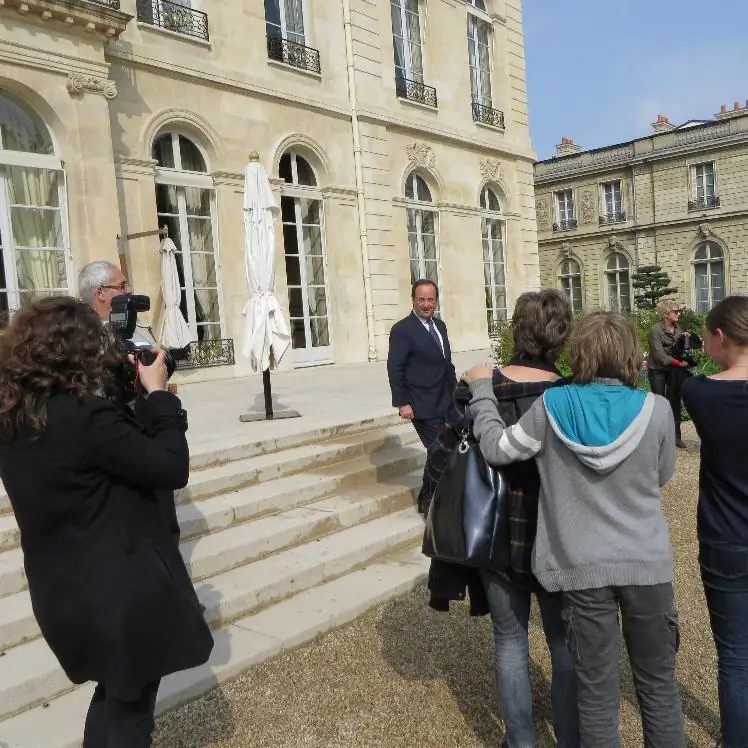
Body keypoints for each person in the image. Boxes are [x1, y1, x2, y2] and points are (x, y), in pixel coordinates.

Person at [0, 297, 213, 747]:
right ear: (76, 350)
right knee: (129, 709)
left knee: (117, 693)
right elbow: (169, 467)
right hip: (117, 593)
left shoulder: (15, 418)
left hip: (63, 591)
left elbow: (98, 461)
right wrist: (157, 395)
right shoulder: (86, 418)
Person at [465, 312, 685, 748]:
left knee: (598, 696)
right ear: (628, 355)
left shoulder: (552, 407)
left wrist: (482, 391)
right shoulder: (657, 410)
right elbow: (660, 476)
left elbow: (497, 448)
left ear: (579, 351)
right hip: (646, 567)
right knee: (659, 690)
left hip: (581, 568)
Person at [425, 290, 580, 748]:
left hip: (498, 530)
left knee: (511, 641)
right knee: (562, 644)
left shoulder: (480, 386)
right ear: (561, 335)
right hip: (557, 530)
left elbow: (443, 449)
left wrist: (428, 498)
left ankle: (521, 741)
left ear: (517, 329)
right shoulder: (569, 394)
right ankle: (571, 738)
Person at [682, 296, 748, 747]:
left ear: (721, 337)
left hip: (726, 535)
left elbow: (693, 378)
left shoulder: (700, 392)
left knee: (736, 654)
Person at [387, 279, 457, 514]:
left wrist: (457, 394)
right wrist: (403, 402)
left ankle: (429, 497)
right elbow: (395, 368)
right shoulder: (402, 330)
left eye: (430, 299)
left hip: (445, 400)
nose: (426, 304)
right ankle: (433, 503)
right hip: (421, 403)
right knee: (440, 451)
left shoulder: (441, 325)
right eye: (421, 300)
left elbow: (447, 364)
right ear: (413, 300)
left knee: (443, 451)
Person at [78, 260, 158, 348]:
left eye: (127, 285)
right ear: (100, 293)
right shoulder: (85, 340)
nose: (129, 291)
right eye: (122, 286)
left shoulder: (137, 325)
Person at [648, 299, 689, 448]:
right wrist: (678, 363)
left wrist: (686, 340)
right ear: (666, 314)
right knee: (659, 403)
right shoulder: (655, 330)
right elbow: (659, 355)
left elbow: (680, 350)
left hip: (673, 370)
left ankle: (676, 437)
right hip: (658, 369)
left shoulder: (678, 329)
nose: (678, 314)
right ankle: (659, 438)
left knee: (675, 401)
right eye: (675, 312)